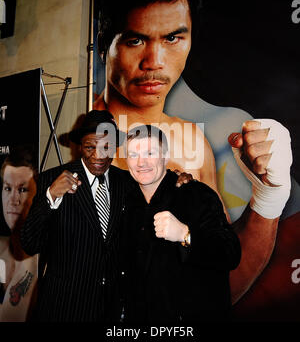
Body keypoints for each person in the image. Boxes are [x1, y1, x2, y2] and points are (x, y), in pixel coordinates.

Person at [92, 0, 293, 304]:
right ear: (104, 47)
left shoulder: (190, 143)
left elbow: (219, 284)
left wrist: (267, 198)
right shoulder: (82, 141)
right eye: (135, 39)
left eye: (172, 38)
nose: (154, 63)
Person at [20, 110, 190, 322]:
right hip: (62, 307)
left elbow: (157, 181)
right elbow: (29, 243)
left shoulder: (128, 182)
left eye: (106, 147)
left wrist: (179, 179)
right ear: (80, 146)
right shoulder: (51, 180)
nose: (99, 156)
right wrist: (50, 197)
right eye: (90, 147)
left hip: (110, 310)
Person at [121, 125, 241, 323]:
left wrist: (186, 235)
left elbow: (231, 253)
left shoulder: (196, 194)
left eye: (150, 153)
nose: (141, 162)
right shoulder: (126, 199)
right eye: (133, 154)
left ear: (165, 156)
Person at [0, 146, 38, 322]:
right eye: (8, 188)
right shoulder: (1, 251)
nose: (13, 200)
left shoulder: (48, 258)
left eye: (23, 190)